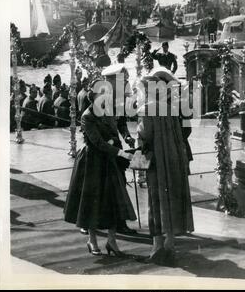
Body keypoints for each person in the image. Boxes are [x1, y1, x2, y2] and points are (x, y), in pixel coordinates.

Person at [64, 81, 136, 256]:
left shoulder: (110, 109)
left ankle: (112, 241)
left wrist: (123, 138)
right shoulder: (87, 116)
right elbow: (97, 143)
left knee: (113, 201)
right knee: (92, 203)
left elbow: (117, 127)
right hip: (92, 162)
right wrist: (120, 152)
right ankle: (92, 240)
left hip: (110, 159)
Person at [136, 70, 194, 266]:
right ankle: (170, 244)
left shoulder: (146, 108)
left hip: (157, 162)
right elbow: (184, 130)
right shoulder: (170, 107)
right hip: (174, 159)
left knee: (156, 201)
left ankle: (156, 247)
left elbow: (145, 135)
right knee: (171, 200)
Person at [101, 63, 137, 235]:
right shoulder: (101, 101)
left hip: (116, 148)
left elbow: (121, 122)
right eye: (122, 81)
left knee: (120, 183)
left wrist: (127, 136)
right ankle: (92, 222)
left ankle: (120, 222)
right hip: (102, 151)